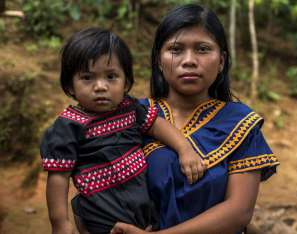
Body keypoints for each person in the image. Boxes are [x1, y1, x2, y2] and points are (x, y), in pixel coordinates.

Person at [111, 4, 279, 234]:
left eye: (202, 49)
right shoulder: (131, 115)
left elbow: (239, 211)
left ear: (221, 61)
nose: (189, 60)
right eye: (176, 49)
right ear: (159, 60)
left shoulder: (241, 123)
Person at [39, 27, 206, 234]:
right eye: (87, 78)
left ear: (126, 82)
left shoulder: (130, 108)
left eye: (111, 76)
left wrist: (184, 148)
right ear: (70, 86)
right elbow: (58, 177)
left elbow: (156, 125)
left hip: (145, 212)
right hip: (102, 219)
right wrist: (60, 223)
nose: (100, 86)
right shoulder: (68, 126)